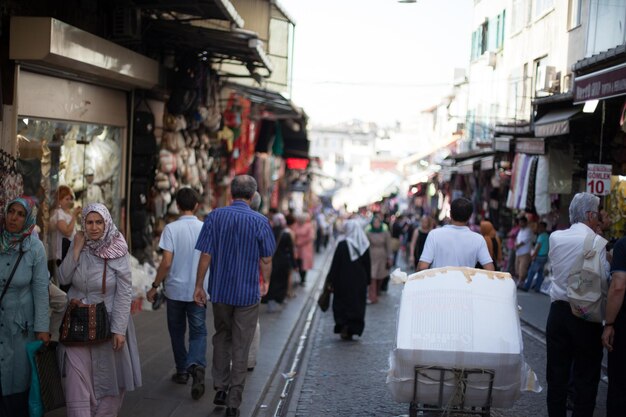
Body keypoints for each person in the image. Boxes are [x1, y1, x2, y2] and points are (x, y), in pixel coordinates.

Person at [193, 175, 276, 417]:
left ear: (232, 193)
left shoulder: (215, 217)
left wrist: (199, 285)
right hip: (248, 293)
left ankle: (220, 386)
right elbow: (267, 258)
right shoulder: (260, 221)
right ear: (252, 196)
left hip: (220, 291)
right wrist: (267, 281)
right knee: (242, 344)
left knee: (222, 336)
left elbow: (206, 254)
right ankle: (233, 401)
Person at [58, 203, 141, 417]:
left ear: (106, 223)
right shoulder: (80, 244)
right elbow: (63, 278)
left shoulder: (117, 249)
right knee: (77, 377)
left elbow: (124, 292)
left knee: (108, 378)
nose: (94, 227)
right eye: (89, 222)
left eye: (99, 222)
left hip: (108, 321)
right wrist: (75, 250)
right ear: (83, 223)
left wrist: (119, 330)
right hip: (78, 322)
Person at [545, 192, 609, 417]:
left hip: (558, 311)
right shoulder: (598, 243)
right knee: (586, 375)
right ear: (590, 215)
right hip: (586, 314)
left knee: (556, 374)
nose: (599, 218)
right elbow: (604, 277)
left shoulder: (555, 237)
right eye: (598, 214)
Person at [146, 188, 208, 398]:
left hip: (175, 290)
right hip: (198, 290)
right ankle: (197, 365)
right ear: (197, 206)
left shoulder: (171, 229)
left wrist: (155, 285)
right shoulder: (205, 228)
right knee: (198, 331)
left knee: (176, 331)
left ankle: (182, 370)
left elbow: (166, 262)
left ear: (178, 206)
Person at [0, 197, 50, 416]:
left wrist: (42, 328)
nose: (14, 218)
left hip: (20, 324)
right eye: (12, 212)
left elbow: (41, 291)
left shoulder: (35, 248)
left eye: (21, 214)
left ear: (28, 218)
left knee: (17, 377)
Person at [417, 197, 494, 271]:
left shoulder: (434, 235)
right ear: (470, 217)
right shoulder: (478, 239)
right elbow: (490, 269)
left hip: (439, 284)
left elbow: (422, 267)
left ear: (450, 214)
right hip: (466, 284)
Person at [325, 219, 371, 341]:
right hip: (359, 281)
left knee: (342, 303)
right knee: (356, 304)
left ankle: (344, 325)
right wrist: (368, 281)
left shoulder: (342, 245)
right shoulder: (364, 245)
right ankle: (353, 327)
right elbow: (368, 264)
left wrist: (331, 280)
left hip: (342, 280)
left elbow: (335, 264)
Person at [602, 235, 626, 416]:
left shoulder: (623, 244)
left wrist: (608, 323)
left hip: (624, 324)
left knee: (619, 382)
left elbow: (618, 285)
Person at [49, 185, 81, 290]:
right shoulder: (58, 213)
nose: (69, 201)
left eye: (70, 198)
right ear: (59, 200)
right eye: (66, 199)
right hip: (62, 252)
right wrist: (74, 216)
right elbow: (67, 232)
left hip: (69, 251)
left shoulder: (67, 213)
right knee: (65, 282)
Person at [262, 213, 295, 311]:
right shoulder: (286, 234)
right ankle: (278, 299)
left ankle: (270, 300)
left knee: (271, 281)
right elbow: (290, 250)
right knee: (281, 281)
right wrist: (294, 264)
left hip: (270, 260)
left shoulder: (269, 232)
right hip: (283, 262)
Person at [365, 215, 392, 304]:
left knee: (380, 276)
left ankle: (377, 292)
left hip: (382, 256)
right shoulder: (368, 233)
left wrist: (389, 257)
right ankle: (372, 296)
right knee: (372, 276)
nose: (376, 224)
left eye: (378, 222)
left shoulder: (385, 233)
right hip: (372, 256)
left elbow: (388, 246)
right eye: (375, 222)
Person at [523, 221, 549, 292]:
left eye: (540, 227)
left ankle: (526, 286)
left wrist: (533, 255)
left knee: (531, 272)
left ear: (543, 227)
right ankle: (537, 288)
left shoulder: (541, 236)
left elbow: (538, 247)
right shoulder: (547, 235)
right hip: (545, 256)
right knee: (540, 273)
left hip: (539, 256)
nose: (538, 228)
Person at [292, 213, 315, 285]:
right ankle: (300, 277)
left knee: (304, 264)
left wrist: (301, 242)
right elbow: (293, 234)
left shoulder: (309, 226)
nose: (300, 221)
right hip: (297, 248)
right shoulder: (296, 225)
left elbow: (311, 237)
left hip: (305, 248)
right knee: (298, 262)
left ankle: (303, 279)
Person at [515, 216, 533, 288]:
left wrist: (517, 245)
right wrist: (515, 244)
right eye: (520, 222)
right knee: (517, 268)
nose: (520, 224)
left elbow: (524, 241)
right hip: (518, 253)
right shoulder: (520, 231)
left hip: (525, 253)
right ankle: (520, 281)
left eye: (521, 222)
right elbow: (517, 239)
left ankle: (520, 282)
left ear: (525, 222)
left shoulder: (529, 230)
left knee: (522, 268)